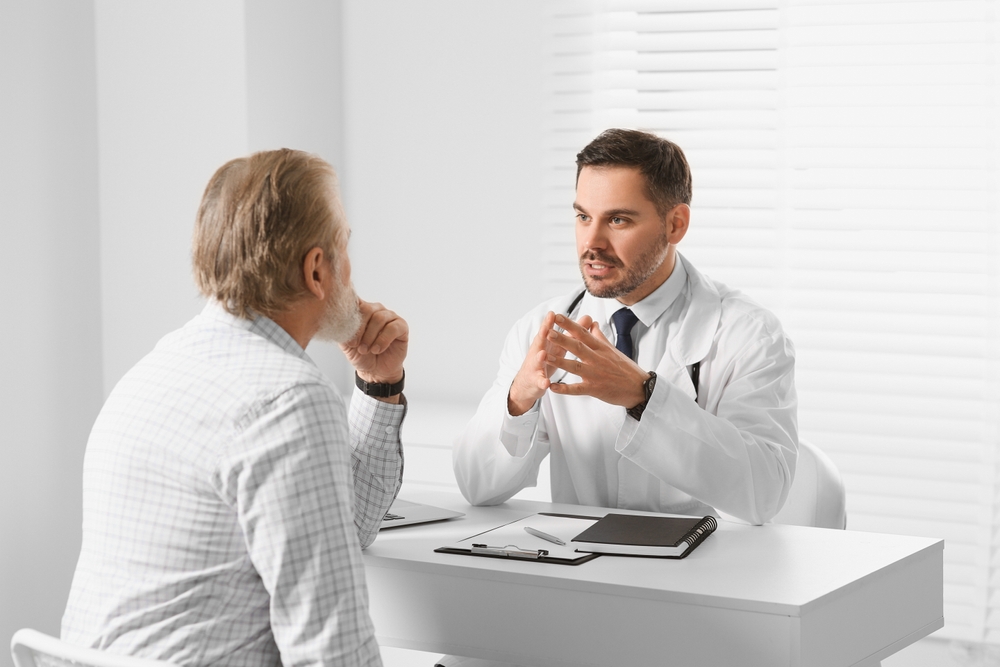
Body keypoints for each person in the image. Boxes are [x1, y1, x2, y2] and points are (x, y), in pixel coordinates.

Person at [62, 149, 407, 667]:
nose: (352, 271)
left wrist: (378, 387)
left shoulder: (151, 372)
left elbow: (345, 525)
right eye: (344, 248)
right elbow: (332, 655)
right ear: (317, 270)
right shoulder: (289, 399)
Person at [453, 129, 798, 525]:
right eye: (583, 216)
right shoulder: (540, 327)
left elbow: (766, 494)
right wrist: (520, 397)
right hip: (579, 574)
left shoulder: (749, 334)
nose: (592, 242)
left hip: (701, 575)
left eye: (618, 220)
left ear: (676, 225)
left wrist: (644, 396)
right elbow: (477, 486)